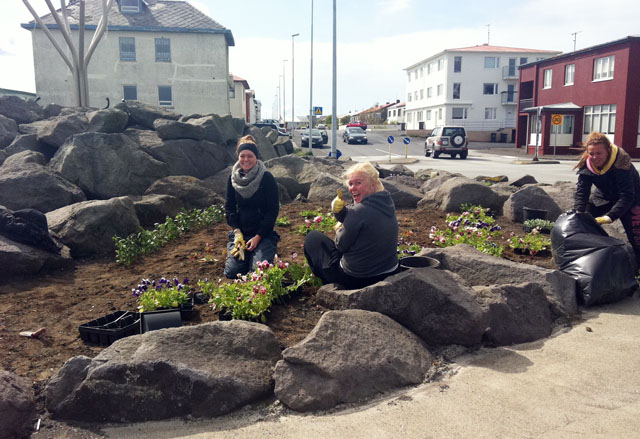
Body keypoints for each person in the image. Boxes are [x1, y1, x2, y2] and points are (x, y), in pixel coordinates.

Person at [304, 162, 399, 289]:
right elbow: (361, 217)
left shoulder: (358, 212)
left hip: (358, 278)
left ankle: (328, 285)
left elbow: (340, 245)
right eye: (350, 184)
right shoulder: (386, 202)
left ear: (373, 184)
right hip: (388, 270)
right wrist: (341, 212)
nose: (353, 188)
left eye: (358, 183)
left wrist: (339, 229)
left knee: (313, 237)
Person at [574, 131, 640, 264]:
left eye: (599, 153)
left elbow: (627, 195)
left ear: (608, 151)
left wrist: (610, 216)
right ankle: (588, 260)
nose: (595, 157)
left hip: (632, 200)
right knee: (581, 221)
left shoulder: (622, 163)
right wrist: (579, 211)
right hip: (603, 197)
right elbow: (582, 192)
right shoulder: (587, 164)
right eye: (591, 153)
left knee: (637, 238)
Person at [224, 135, 280, 278]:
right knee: (232, 273)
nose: (246, 160)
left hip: (262, 233)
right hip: (241, 233)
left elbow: (272, 211)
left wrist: (258, 237)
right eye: (242, 156)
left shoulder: (266, 178)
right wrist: (237, 233)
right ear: (238, 157)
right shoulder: (232, 179)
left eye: (250, 156)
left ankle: (261, 251)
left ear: (256, 157)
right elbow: (229, 207)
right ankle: (248, 254)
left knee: (258, 273)